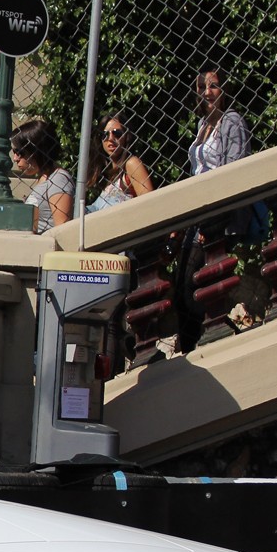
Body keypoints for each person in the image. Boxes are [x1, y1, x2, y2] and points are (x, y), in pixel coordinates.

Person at [168, 66, 254, 355]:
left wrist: (215, 220)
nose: (207, 92)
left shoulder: (232, 121)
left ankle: (214, 340)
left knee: (197, 286)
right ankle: (192, 347)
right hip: (197, 214)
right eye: (202, 87)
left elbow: (234, 169)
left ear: (225, 90)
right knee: (181, 286)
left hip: (218, 216)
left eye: (214, 86)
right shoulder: (203, 124)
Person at [9, 119, 72, 233]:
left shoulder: (58, 179)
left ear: (35, 150)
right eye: (13, 152)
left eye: (19, 152)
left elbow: (63, 229)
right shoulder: (44, 177)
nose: (15, 158)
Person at [87, 111, 154, 211]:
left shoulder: (131, 163)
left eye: (117, 133)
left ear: (127, 136)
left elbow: (150, 204)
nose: (110, 139)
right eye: (104, 135)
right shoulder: (108, 173)